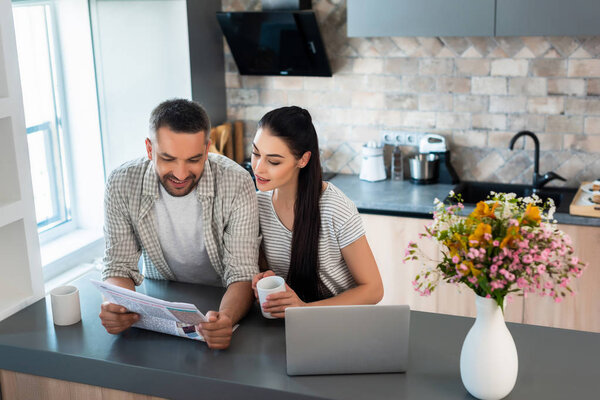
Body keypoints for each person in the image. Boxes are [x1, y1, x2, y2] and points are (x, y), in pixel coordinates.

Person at [99, 99, 260, 349]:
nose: (182, 174)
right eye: (168, 159)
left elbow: (242, 273)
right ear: (150, 149)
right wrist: (116, 306)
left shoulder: (237, 182)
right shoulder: (121, 183)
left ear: (207, 150)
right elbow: (119, 265)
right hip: (160, 303)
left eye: (194, 160)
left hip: (222, 301)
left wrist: (225, 318)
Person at [250, 106, 384, 318]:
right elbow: (272, 271)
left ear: (303, 160)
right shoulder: (257, 204)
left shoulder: (334, 208)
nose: (258, 168)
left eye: (273, 161)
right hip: (289, 324)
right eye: (256, 153)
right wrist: (265, 278)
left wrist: (303, 310)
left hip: (342, 323)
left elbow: (373, 289)